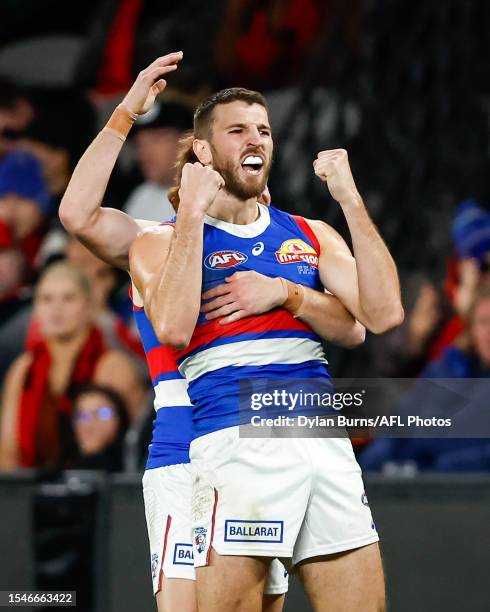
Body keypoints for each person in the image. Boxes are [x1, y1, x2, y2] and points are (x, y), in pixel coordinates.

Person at [59, 52, 368, 612]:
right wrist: (125, 112)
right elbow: (78, 215)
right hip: (184, 445)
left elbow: (357, 325)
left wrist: (292, 291)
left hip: (255, 441)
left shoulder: (269, 248)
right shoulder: (154, 243)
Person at [129, 65, 404, 611]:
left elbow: (384, 314)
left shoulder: (308, 232)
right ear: (203, 152)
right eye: (238, 131)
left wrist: (348, 202)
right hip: (237, 439)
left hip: (323, 439)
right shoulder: (162, 240)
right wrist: (191, 211)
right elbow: (175, 328)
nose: (256, 139)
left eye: (264, 130)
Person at [0, 261, 144, 471]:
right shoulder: (23, 369)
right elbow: (7, 451)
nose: (56, 309)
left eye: (68, 298)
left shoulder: (114, 367)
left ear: (89, 307)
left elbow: (135, 447)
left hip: (100, 490)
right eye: (46, 299)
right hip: (35, 491)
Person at [71, 383, 130, 472]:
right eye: (82, 416)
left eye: (102, 414)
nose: (89, 425)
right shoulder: (61, 475)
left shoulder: (139, 468)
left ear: (120, 419)